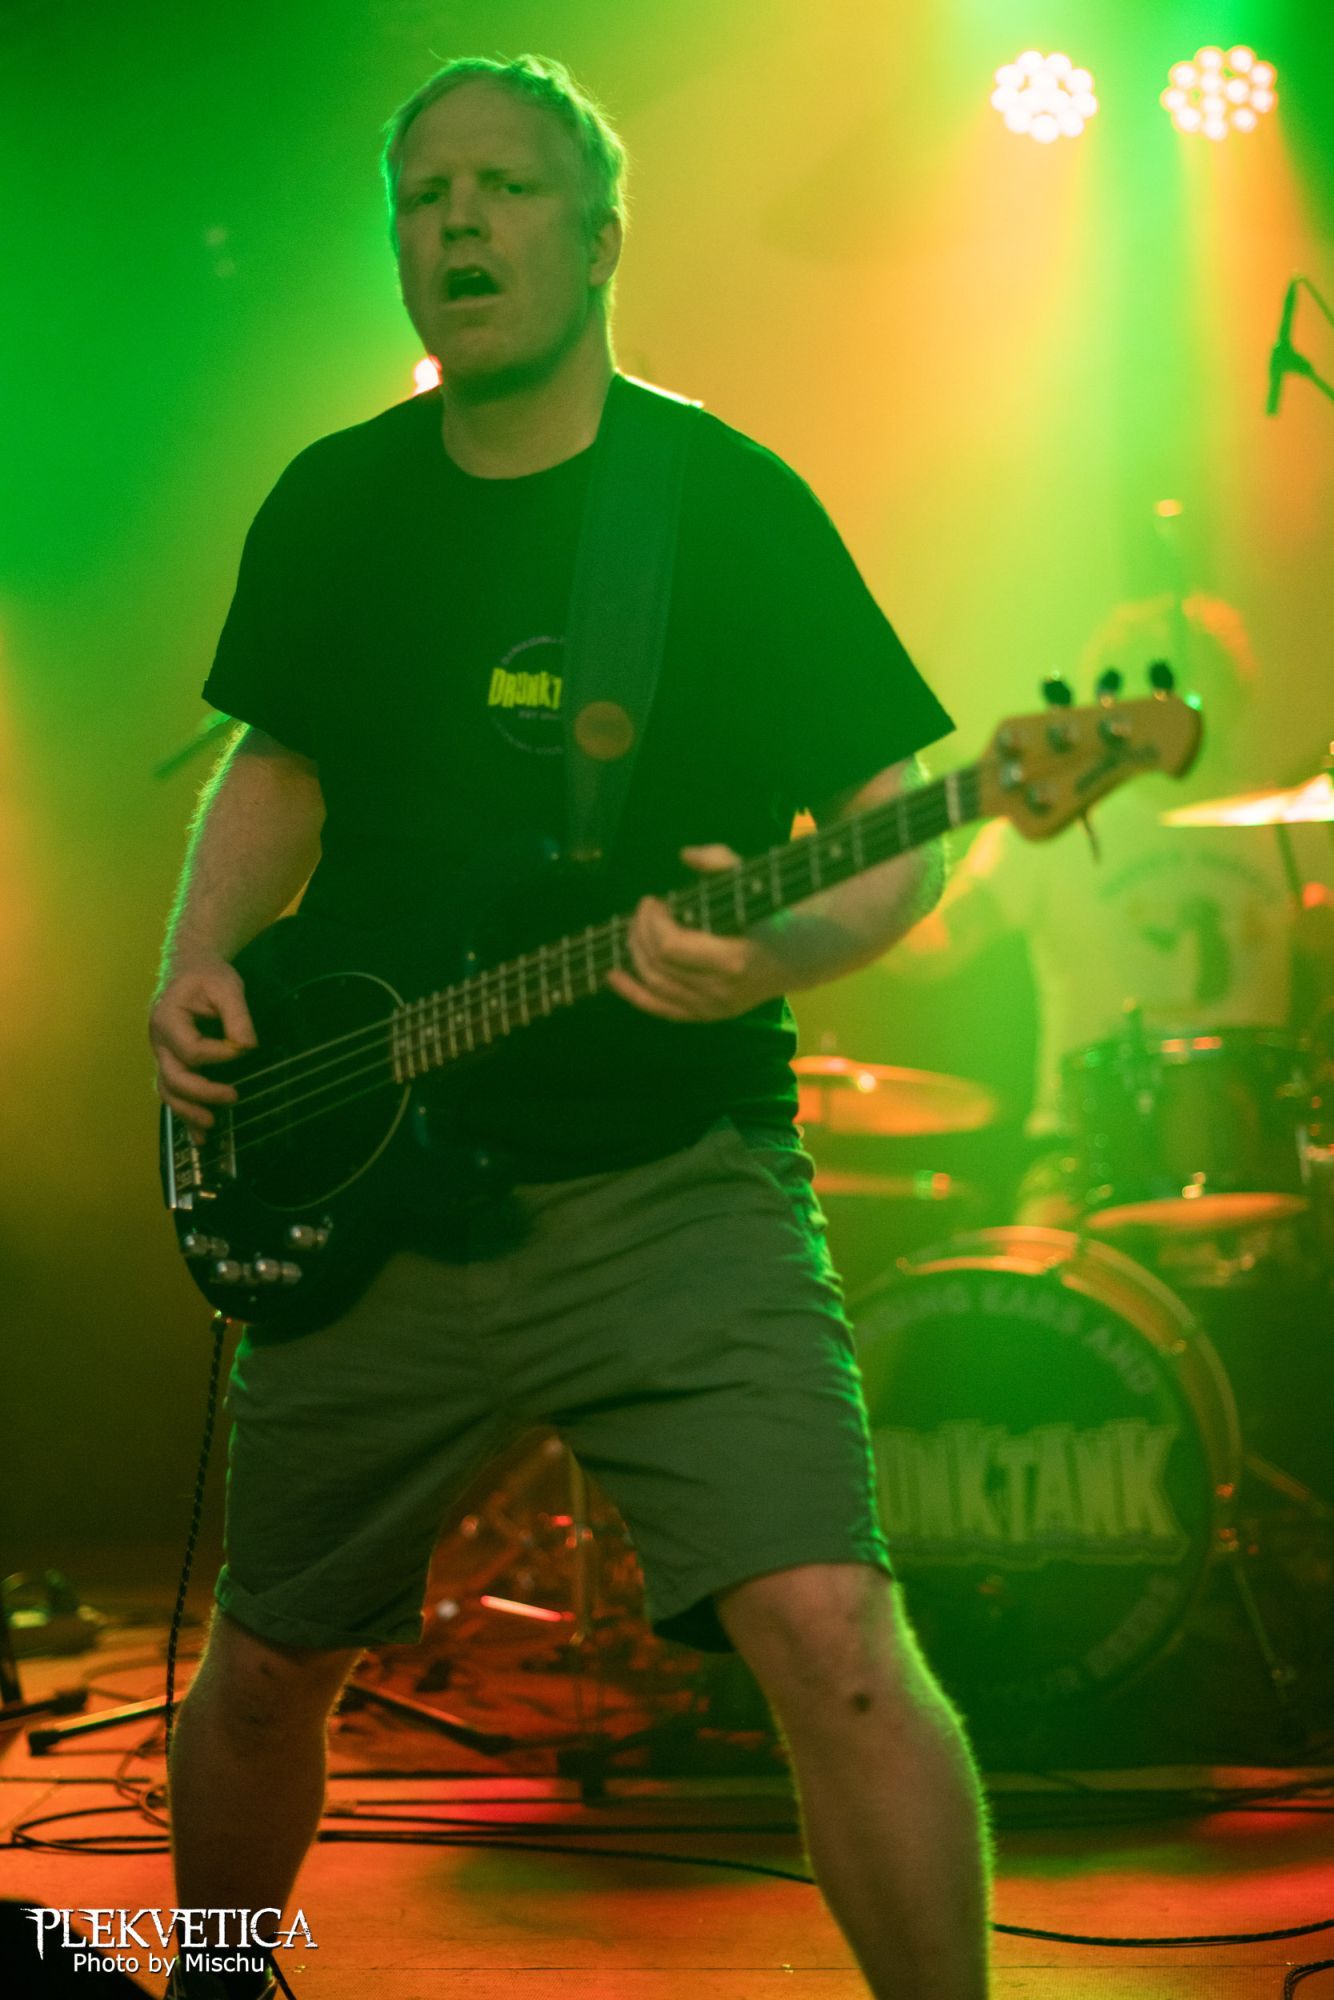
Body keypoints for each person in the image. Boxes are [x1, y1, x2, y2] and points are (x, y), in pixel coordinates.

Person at [148, 56, 990, 2000]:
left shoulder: (723, 502)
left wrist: (774, 953)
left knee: (835, 1641)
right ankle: (216, 1975)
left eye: (505, 187)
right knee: (266, 1664)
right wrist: (195, 960)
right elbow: (278, 759)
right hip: (362, 1169)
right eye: (422, 193)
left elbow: (897, 827)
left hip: (667, 1181)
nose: (457, 221)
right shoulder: (338, 498)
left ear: (599, 240)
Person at [899, 591, 1334, 1225]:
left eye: (1202, 689)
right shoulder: (1051, 824)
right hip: (1082, 1157)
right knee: (1031, 1280)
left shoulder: (1297, 831)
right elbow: (939, 946)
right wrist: (858, 888)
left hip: (1264, 1153)